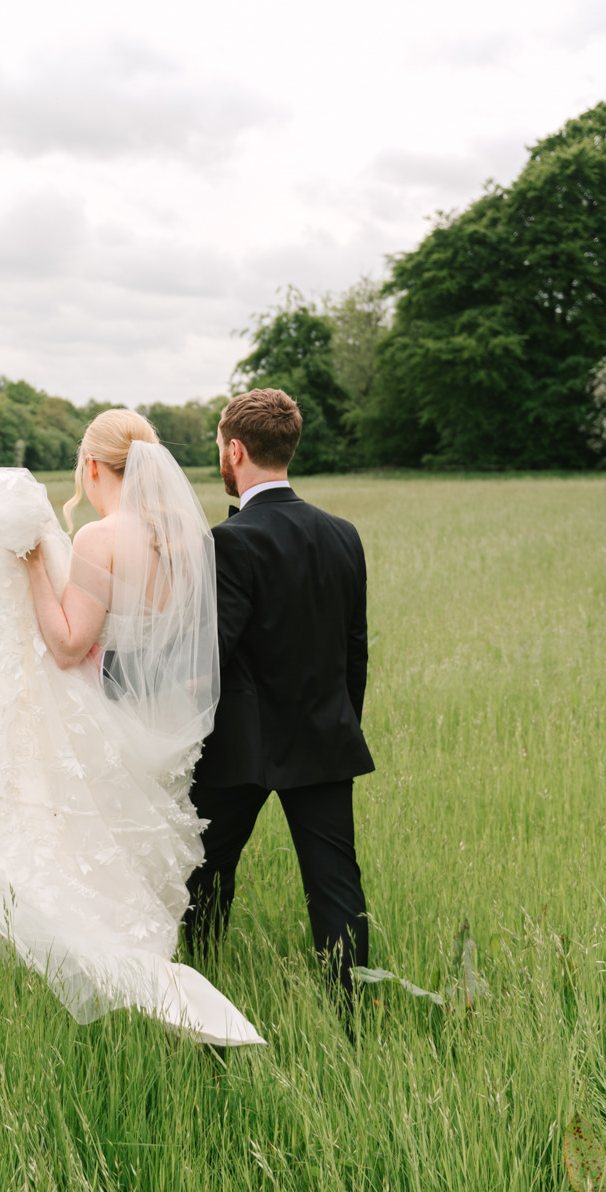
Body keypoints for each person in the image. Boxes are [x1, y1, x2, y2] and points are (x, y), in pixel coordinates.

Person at [0, 409, 264, 1046]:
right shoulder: (187, 539)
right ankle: (155, 970)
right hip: (159, 719)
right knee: (126, 858)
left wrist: (34, 562)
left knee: (69, 863)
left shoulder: (99, 537)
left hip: (106, 711)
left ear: (92, 467)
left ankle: (140, 982)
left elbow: (66, 645)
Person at [183, 388, 375, 1005]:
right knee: (335, 883)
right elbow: (354, 651)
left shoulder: (229, 541)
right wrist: (340, 724)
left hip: (240, 748)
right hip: (324, 736)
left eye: (219, 446)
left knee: (205, 873)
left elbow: (208, 654)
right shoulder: (343, 534)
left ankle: (204, 990)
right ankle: (353, 1015)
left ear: (234, 450)